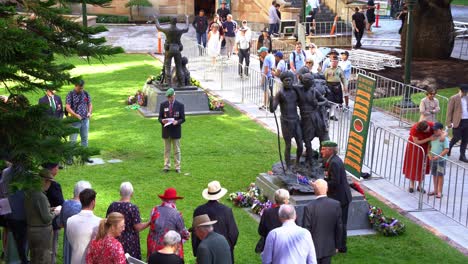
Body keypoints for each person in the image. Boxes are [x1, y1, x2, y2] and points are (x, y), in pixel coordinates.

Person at [192, 181, 238, 263]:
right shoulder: (226, 211)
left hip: (204, 251)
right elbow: (234, 233)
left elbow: (195, 234)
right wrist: (228, 248)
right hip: (223, 250)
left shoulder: (198, 210)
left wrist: (197, 252)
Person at [320, 141, 352, 253]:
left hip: (341, 198)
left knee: (341, 223)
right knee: (338, 222)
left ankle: (342, 247)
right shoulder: (331, 160)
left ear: (330, 150)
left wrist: (321, 185)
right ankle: (337, 245)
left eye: (323, 149)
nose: (321, 151)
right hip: (338, 196)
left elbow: (335, 182)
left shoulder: (334, 162)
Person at [106, 182, 149, 260]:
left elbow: (107, 222)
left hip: (115, 238)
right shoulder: (133, 208)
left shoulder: (112, 206)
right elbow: (137, 227)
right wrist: (149, 223)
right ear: (132, 194)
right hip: (130, 243)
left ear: (120, 192)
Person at [270, 71, 304, 169]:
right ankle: (288, 166)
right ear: (283, 82)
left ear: (292, 81)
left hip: (296, 120)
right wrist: (271, 101)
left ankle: (297, 162)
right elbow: (272, 110)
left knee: (300, 144)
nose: (288, 82)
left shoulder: (295, 91)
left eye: (290, 80)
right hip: (286, 122)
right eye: (286, 80)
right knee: (288, 145)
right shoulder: (280, 93)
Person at [24, 170, 60, 264]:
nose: (50, 184)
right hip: (41, 233)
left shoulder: (30, 192)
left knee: (34, 257)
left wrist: (50, 209)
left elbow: (36, 210)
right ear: (44, 181)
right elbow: (46, 218)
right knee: (43, 258)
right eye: (49, 182)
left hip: (31, 230)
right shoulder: (40, 196)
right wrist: (56, 212)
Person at [304, 179, 343, 264]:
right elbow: (339, 227)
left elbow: (306, 230)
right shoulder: (336, 204)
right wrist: (337, 245)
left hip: (313, 248)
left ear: (314, 191)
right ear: (327, 189)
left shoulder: (309, 207)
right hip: (329, 246)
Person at [147, 188, 190, 260]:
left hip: (153, 246)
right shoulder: (177, 214)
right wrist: (187, 234)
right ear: (174, 200)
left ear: (163, 199)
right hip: (169, 248)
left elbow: (152, 224)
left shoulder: (154, 209)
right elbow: (183, 233)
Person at [296, 73, 329, 165]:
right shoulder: (299, 91)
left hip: (316, 118)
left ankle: (322, 159)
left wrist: (318, 104)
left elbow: (325, 101)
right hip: (306, 119)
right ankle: (309, 158)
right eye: (306, 82)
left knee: (323, 137)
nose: (309, 84)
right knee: (306, 139)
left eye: (310, 82)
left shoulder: (314, 91)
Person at [59, 181, 92, 264]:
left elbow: (60, 223)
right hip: (80, 245)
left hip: (68, 242)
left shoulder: (65, 203)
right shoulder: (82, 208)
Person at [67, 188, 101, 264]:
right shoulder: (99, 222)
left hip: (75, 261)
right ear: (93, 202)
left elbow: (70, 240)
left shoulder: (70, 220)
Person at [403, 121, 437, 192]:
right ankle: (412, 185)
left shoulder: (431, 124)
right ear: (421, 130)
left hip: (425, 147)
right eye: (426, 130)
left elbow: (440, 131)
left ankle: (420, 185)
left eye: (428, 128)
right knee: (413, 164)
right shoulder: (414, 129)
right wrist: (429, 139)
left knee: (422, 165)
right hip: (414, 147)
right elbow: (416, 142)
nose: (428, 130)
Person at [155, 17, 190, 87]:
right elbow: (186, 28)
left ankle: (168, 83)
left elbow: (158, 27)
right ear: (176, 22)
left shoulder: (167, 30)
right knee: (179, 67)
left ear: (170, 22)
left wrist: (156, 19)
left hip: (169, 49)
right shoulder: (179, 30)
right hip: (177, 49)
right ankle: (182, 83)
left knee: (167, 67)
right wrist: (186, 19)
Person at [158, 88, 186, 173]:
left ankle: (177, 167)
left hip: (175, 130)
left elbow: (183, 119)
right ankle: (166, 166)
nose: (169, 99)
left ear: (174, 95)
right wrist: (162, 121)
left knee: (176, 150)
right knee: (167, 150)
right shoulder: (163, 105)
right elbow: (159, 117)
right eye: (168, 97)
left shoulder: (180, 105)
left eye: (170, 97)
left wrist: (177, 122)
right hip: (166, 130)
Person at [66, 80, 93, 163]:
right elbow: (67, 107)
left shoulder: (86, 93)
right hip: (75, 121)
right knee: (73, 140)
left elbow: (90, 104)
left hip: (85, 120)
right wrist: (75, 115)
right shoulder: (70, 94)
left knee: (84, 138)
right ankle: (69, 158)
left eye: (82, 88)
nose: (81, 89)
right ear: (75, 86)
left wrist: (89, 112)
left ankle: (85, 157)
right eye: (79, 88)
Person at [43, 162, 64, 264]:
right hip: (51, 220)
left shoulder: (36, 183)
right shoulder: (55, 186)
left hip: (36, 222)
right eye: (57, 167)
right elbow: (61, 203)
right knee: (52, 248)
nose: (58, 170)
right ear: (53, 169)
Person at [446, 84, 468, 162]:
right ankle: (448, 148)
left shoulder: (467, 98)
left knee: (465, 139)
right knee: (456, 137)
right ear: (460, 90)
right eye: (464, 92)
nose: (465, 93)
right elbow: (449, 111)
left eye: (466, 92)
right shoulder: (454, 98)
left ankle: (462, 155)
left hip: (466, 121)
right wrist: (448, 123)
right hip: (458, 121)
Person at [428, 122, 449, 199]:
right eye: (434, 130)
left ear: (441, 130)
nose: (435, 132)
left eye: (436, 130)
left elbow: (446, 150)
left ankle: (440, 191)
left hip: (441, 161)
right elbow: (429, 147)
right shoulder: (433, 137)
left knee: (440, 175)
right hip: (433, 160)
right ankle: (435, 190)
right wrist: (429, 155)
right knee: (434, 175)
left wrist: (438, 156)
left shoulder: (444, 139)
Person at [324, 54, 347, 121]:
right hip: (329, 86)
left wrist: (345, 86)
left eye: (335, 61)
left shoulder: (340, 70)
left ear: (337, 62)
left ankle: (332, 115)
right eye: (333, 61)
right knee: (329, 101)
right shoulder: (327, 69)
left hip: (337, 86)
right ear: (331, 62)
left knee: (335, 101)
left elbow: (343, 78)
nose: (334, 63)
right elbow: (324, 79)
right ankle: (327, 113)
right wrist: (324, 88)